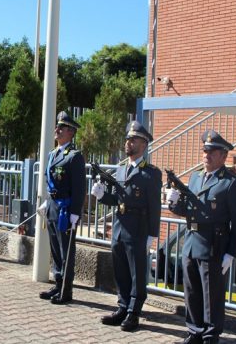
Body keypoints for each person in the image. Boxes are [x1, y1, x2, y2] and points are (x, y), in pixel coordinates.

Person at [167, 130, 236, 344]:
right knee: (191, 291)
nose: (207, 155)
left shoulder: (231, 182)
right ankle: (194, 331)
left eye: (212, 152)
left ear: (224, 156)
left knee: (211, 296)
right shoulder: (195, 177)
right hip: (191, 242)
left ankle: (211, 336)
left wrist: (231, 252)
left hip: (214, 245)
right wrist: (173, 201)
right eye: (205, 150)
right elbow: (187, 209)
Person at [91, 121, 162, 332]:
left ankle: (134, 312)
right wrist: (102, 196)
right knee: (120, 270)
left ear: (144, 144)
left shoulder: (151, 173)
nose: (128, 143)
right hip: (120, 228)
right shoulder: (121, 170)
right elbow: (118, 200)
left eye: (133, 139)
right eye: (127, 139)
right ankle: (122, 307)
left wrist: (152, 234)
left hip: (138, 229)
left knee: (137, 274)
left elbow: (155, 207)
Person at [36, 111, 86, 305]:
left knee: (66, 251)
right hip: (53, 207)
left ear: (71, 132)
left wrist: (75, 213)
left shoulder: (74, 156)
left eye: (61, 128)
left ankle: (66, 290)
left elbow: (80, 188)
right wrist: (47, 202)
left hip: (66, 209)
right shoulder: (52, 154)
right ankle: (58, 283)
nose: (57, 130)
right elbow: (50, 182)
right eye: (57, 127)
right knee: (55, 249)